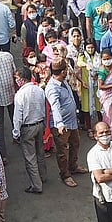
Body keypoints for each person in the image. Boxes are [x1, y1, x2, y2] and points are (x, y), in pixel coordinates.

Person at [46, 59, 86, 187]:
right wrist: (59, 124)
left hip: (72, 121)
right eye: (66, 70)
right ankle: (65, 175)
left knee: (75, 144)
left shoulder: (63, 82)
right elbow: (55, 107)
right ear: (63, 72)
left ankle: (73, 166)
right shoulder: (52, 88)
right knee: (62, 151)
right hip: (62, 125)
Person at [12, 67, 48, 193]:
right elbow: (43, 108)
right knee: (40, 152)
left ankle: (36, 185)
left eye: (16, 78)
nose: (15, 81)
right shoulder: (39, 90)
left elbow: (18, 117)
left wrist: (15, 133)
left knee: (30, 157)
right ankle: (42, 176)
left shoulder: (20, 95)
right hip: (40, 124)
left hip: (27, 128)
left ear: (22, 79)